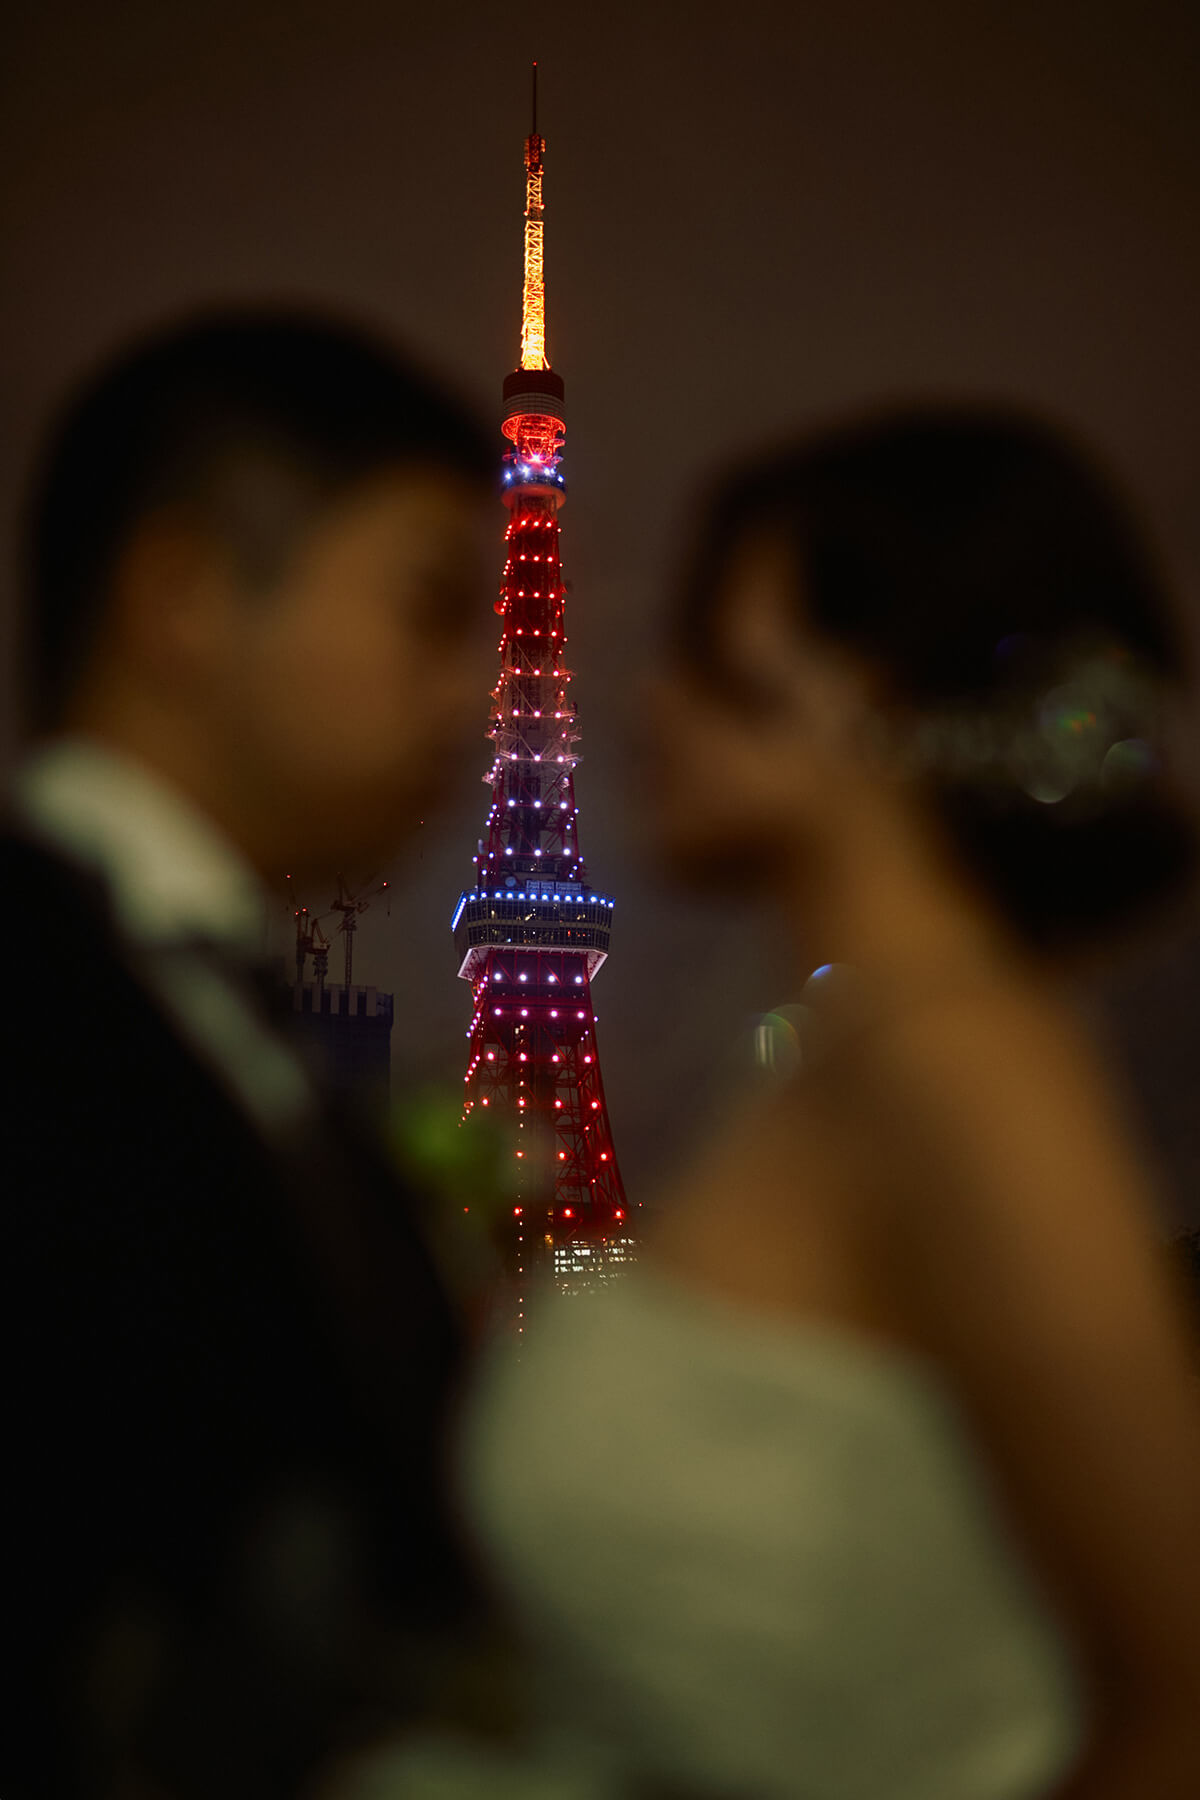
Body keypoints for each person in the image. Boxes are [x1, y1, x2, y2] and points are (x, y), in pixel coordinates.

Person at [440, 407, 1200, 1798]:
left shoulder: (961, 1069)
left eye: (705, 650)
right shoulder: (844, 1039)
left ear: (869, 695)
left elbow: (1181, 1693)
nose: (644, 699)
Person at [1, 309, 498, 1800]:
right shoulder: (41, 995)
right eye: (429, 608)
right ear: (185, 595)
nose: (476, 696)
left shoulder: (246, 1020)